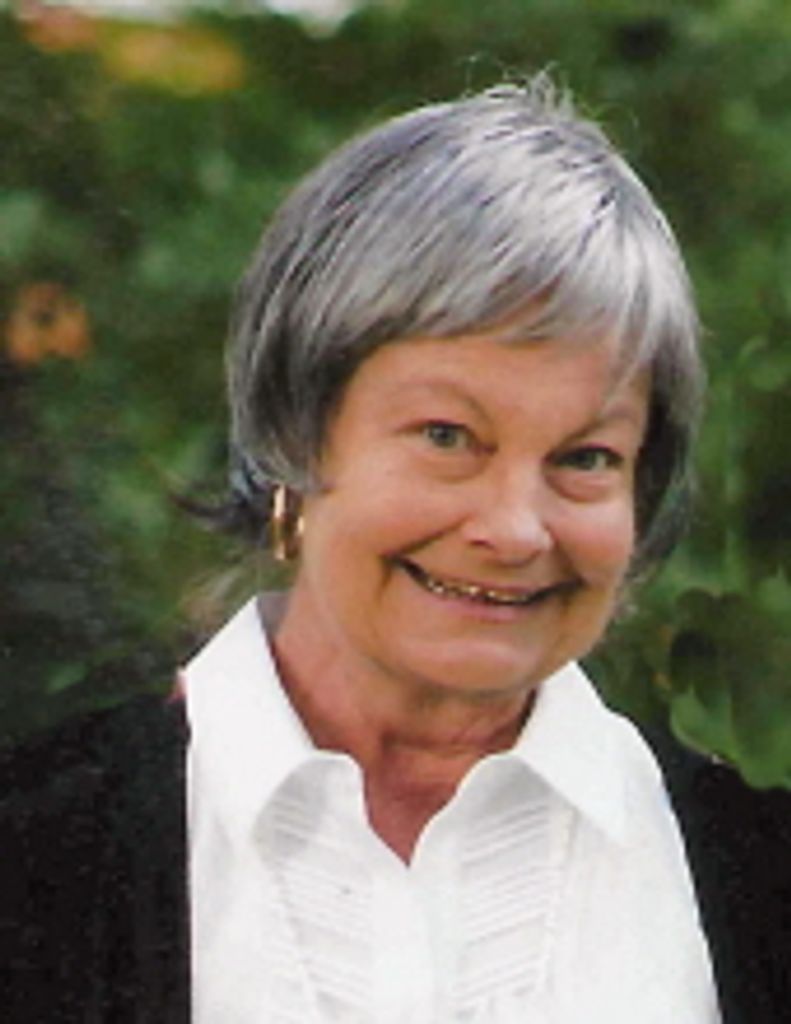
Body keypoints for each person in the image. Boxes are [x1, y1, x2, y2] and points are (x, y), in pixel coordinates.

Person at [7, 76, 788, 1024]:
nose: (514, 528)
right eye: (446, 437)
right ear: (297, 432)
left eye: (585, 458)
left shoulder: (754, 879)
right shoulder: (37, 860)